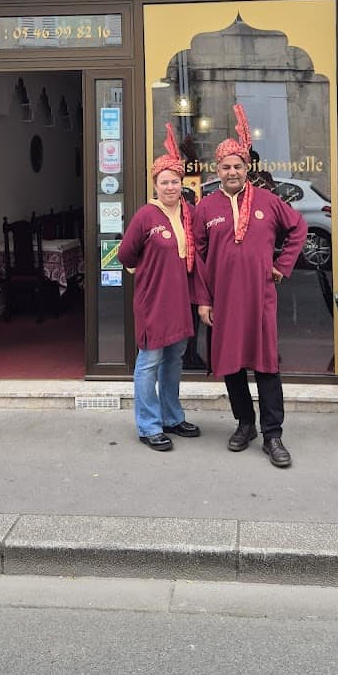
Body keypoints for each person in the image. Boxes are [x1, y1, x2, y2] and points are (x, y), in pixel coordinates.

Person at [193, 105, 307, 468]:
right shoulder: (206, 206)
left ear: (247, 169)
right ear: (218, 169)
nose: (231, 172)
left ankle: (273, 435)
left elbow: (299, 230)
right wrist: (204, 301)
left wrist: (281, 266)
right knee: (230, 366)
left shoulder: (270, 202)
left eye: (237, 166)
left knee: (267, 366)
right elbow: (197, 254)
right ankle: (245, 424)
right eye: (225, 166)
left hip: (260, 299)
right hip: (223, 301)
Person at [118, 124, 202, 452]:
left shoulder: (189, 213)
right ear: (155, 184)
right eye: (164, 181)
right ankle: (149, 426)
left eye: (175, 181)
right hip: (153, 300)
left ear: (182, 184)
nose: (170, 186)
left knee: (174, 359)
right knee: (149, 360)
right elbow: (126, 253)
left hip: (180, 301)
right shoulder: (145, 216)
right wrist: (142, 268)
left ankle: (172, 417)